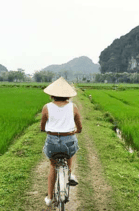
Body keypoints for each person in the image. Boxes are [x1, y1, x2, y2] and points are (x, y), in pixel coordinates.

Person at [40, 77, 82, 207]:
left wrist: (43, 129)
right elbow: (79, 126)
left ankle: (49, 197)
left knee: (53, 166)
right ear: (67, 96)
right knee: (70, 152)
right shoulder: (73, 107)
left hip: (52, 141)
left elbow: (43, 125)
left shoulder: (46, 107)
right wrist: (78, 130)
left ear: (52, 95)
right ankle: (69, 174)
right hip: (68, 140)